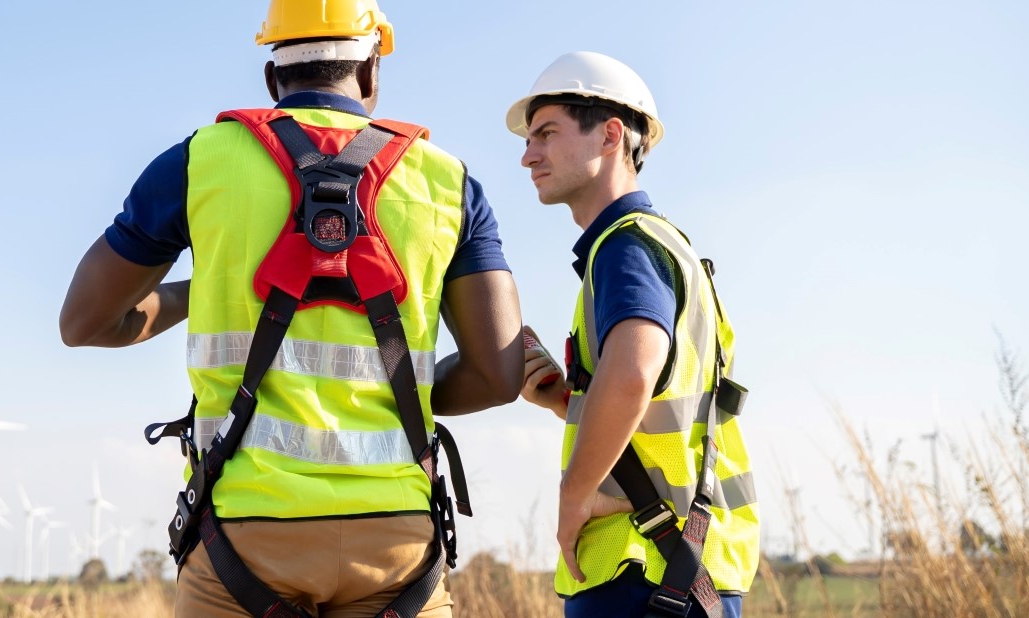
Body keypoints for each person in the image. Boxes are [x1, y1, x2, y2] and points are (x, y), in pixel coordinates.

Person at [56, 2, 524, 616]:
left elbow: (85, 323)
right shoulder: (449, 183)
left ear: (273, 80)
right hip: (397, 544)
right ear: (371, 72)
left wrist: (209, 285)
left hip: (243, 541)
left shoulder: (197, 163)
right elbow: (499, 374)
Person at [510, 52, 761, 618]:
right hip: (685, 566)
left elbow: (633, 374)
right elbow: (656, 411)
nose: (528, 155)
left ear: (610, 135)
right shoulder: (664, 245)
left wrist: (573, 497)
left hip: (643, 569)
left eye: (546, 134)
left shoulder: (625, 246)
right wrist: (568, 401)